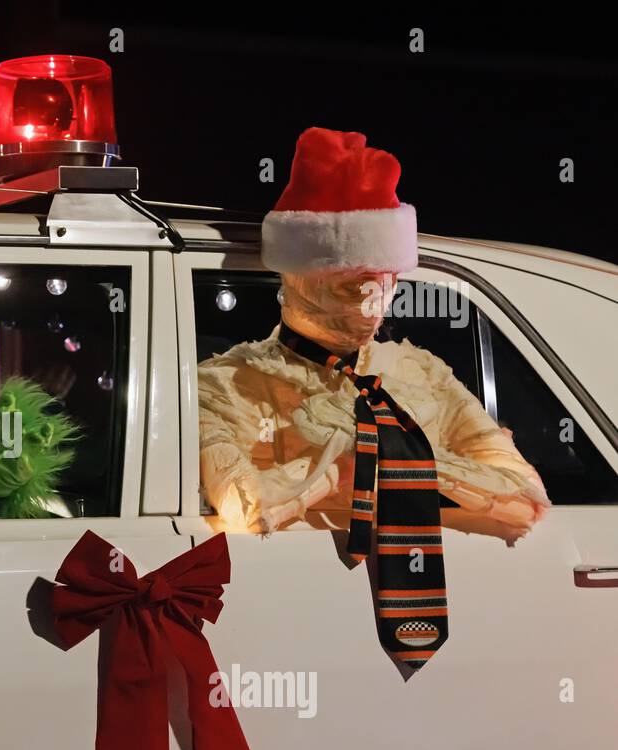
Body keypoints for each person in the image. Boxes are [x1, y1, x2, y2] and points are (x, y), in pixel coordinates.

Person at [198, 127, 549, 543]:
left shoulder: (420, 372)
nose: (374, 307)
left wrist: (398, 461)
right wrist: (339, 469)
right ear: (298, 279)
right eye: (354, 287)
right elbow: (245, 507)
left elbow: (526, 496)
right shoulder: (225, 384)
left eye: (388, 285)